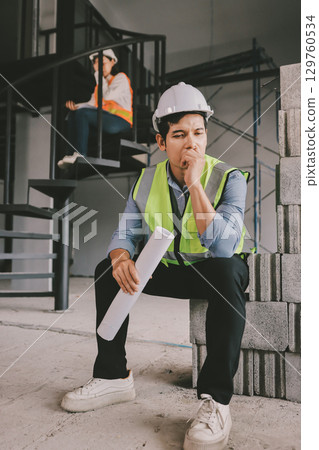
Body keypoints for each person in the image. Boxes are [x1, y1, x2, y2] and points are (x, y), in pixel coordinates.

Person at [61, 82, 249, 450]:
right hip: (169, 268)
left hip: (216, 271)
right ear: (162, 143)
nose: (191, 143)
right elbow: (124, 234)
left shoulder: (229, 177)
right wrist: (120, 257)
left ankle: (216, 402)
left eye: (198, 132)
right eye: (179, 134)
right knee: (106, 269)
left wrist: (195, 186)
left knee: (226, 275)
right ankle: (113, 376)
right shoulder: (146, 181)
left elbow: (225, 245)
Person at [58, 48, 133, 169]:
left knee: (83, 114)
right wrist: (75, 107)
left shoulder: (120, 78)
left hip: (121, 121)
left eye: (103, 62)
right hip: (106, 119)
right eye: (97, 63)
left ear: (113, 62)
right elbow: (91, 104)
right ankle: (71, 154)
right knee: (74, 114)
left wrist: (98, 74)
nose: (100, 66)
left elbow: (107, 95)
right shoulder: (100, 86)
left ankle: (81, 154)